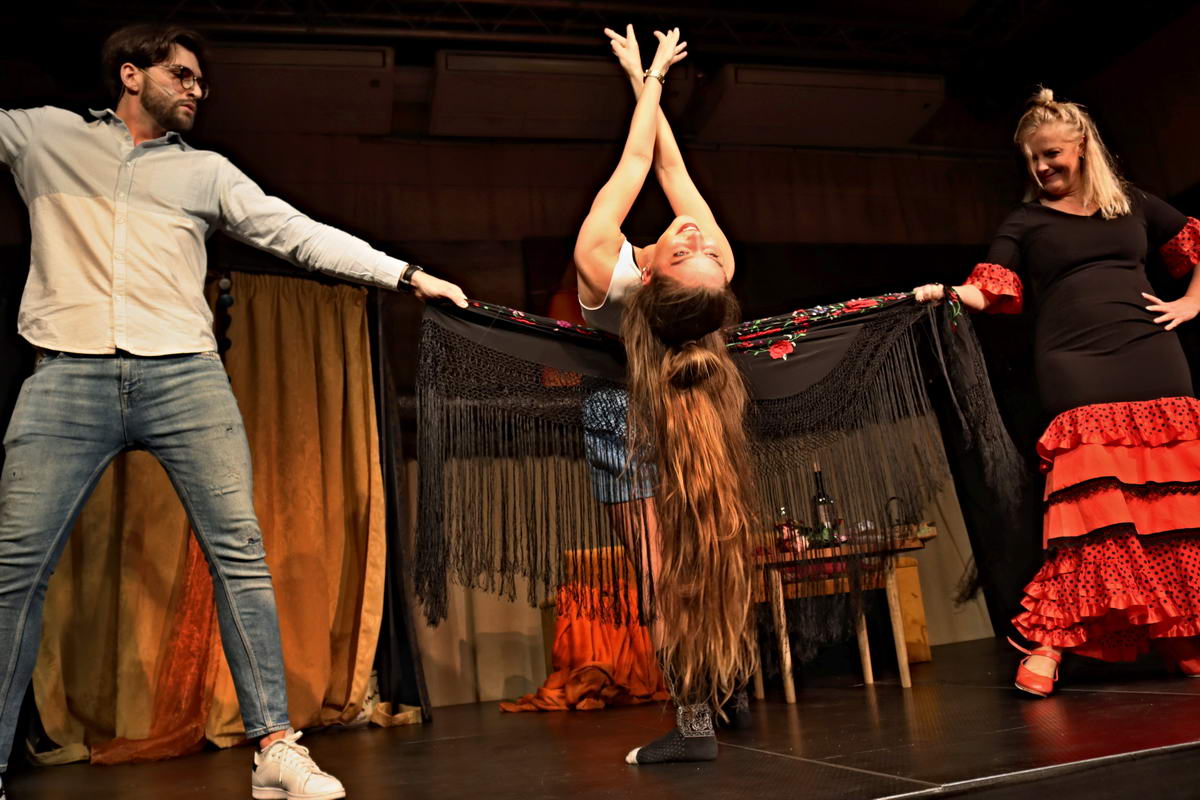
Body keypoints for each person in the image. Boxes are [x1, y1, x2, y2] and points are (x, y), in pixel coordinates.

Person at [0, 23, 467, 800]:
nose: (197, 89)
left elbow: (294, 233)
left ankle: (275, 748)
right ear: (130, 74)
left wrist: (405, 273)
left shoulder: (206, 171)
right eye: (180, 74)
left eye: (200, 79)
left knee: (239, 554)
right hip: (66, 374)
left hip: (184, 374)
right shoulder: (44, 137)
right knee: (15, 568)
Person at [914, 87, 1200, 697]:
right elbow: (992, 286)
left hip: (1152, 358)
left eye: (1050, 154)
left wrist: (1192, 302)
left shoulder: (1132, 205)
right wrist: (951, 293)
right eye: (1032, 159)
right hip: (1077, 366)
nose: (1041, 167)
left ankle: (1179, 632)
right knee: (1090, 518)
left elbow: (1196, 242)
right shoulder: (1026, 221)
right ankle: (1049, 643)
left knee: (1171, 510)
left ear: (1082, 146)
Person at [574, 25, 756, 765]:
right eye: (699, 247)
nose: (697, 237)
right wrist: (646, 82)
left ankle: (697, 719)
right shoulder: (715, 273)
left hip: (627, 415)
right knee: (698, 559)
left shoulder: (601, 266)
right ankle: (720, 687)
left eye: (693, 249)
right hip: (687, 410)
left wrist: (647, 80)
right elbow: (668, 167)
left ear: (649, 279)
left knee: (671, 573)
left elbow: (639, 163)